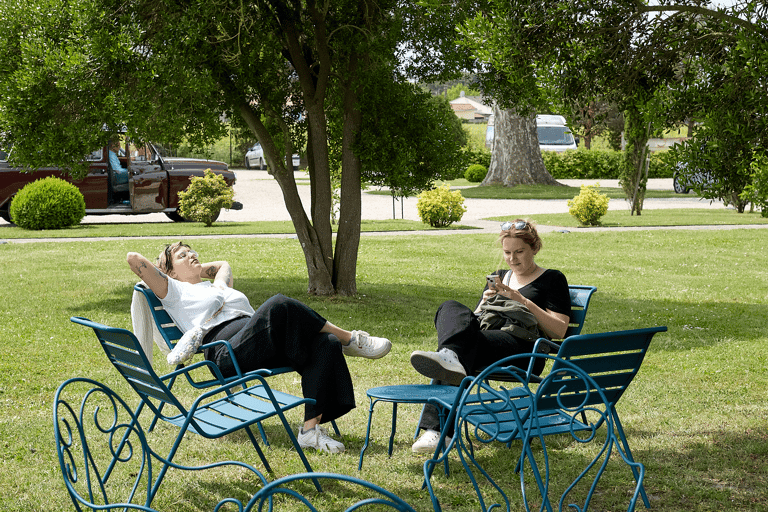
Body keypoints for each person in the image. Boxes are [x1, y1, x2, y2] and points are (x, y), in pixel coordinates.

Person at [126, 241, 392, 454]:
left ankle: (310, 431)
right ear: (169, 272)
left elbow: (222, 265)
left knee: (325, 342)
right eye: (183, 256)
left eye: (192, 251)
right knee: (278, 304)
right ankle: (350, 339)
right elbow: (133, 258)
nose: (192, 255)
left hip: (258, 341)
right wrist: (172, 275)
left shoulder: (216, 286)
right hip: (227, 353)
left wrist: (192, 267)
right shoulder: (174, 292)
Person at [409, 219, 570, 453]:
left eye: (519, 252)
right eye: (507, 252)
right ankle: (449, 356)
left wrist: (522, 301)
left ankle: (436, 431)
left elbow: (559, 330)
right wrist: (482, 306)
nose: (513, 259)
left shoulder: (552, 279)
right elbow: (473, 321)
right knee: (450, 307)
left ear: (535, 248)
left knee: (464, 350)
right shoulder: (500, 276)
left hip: (524, 351)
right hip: (486, 341)